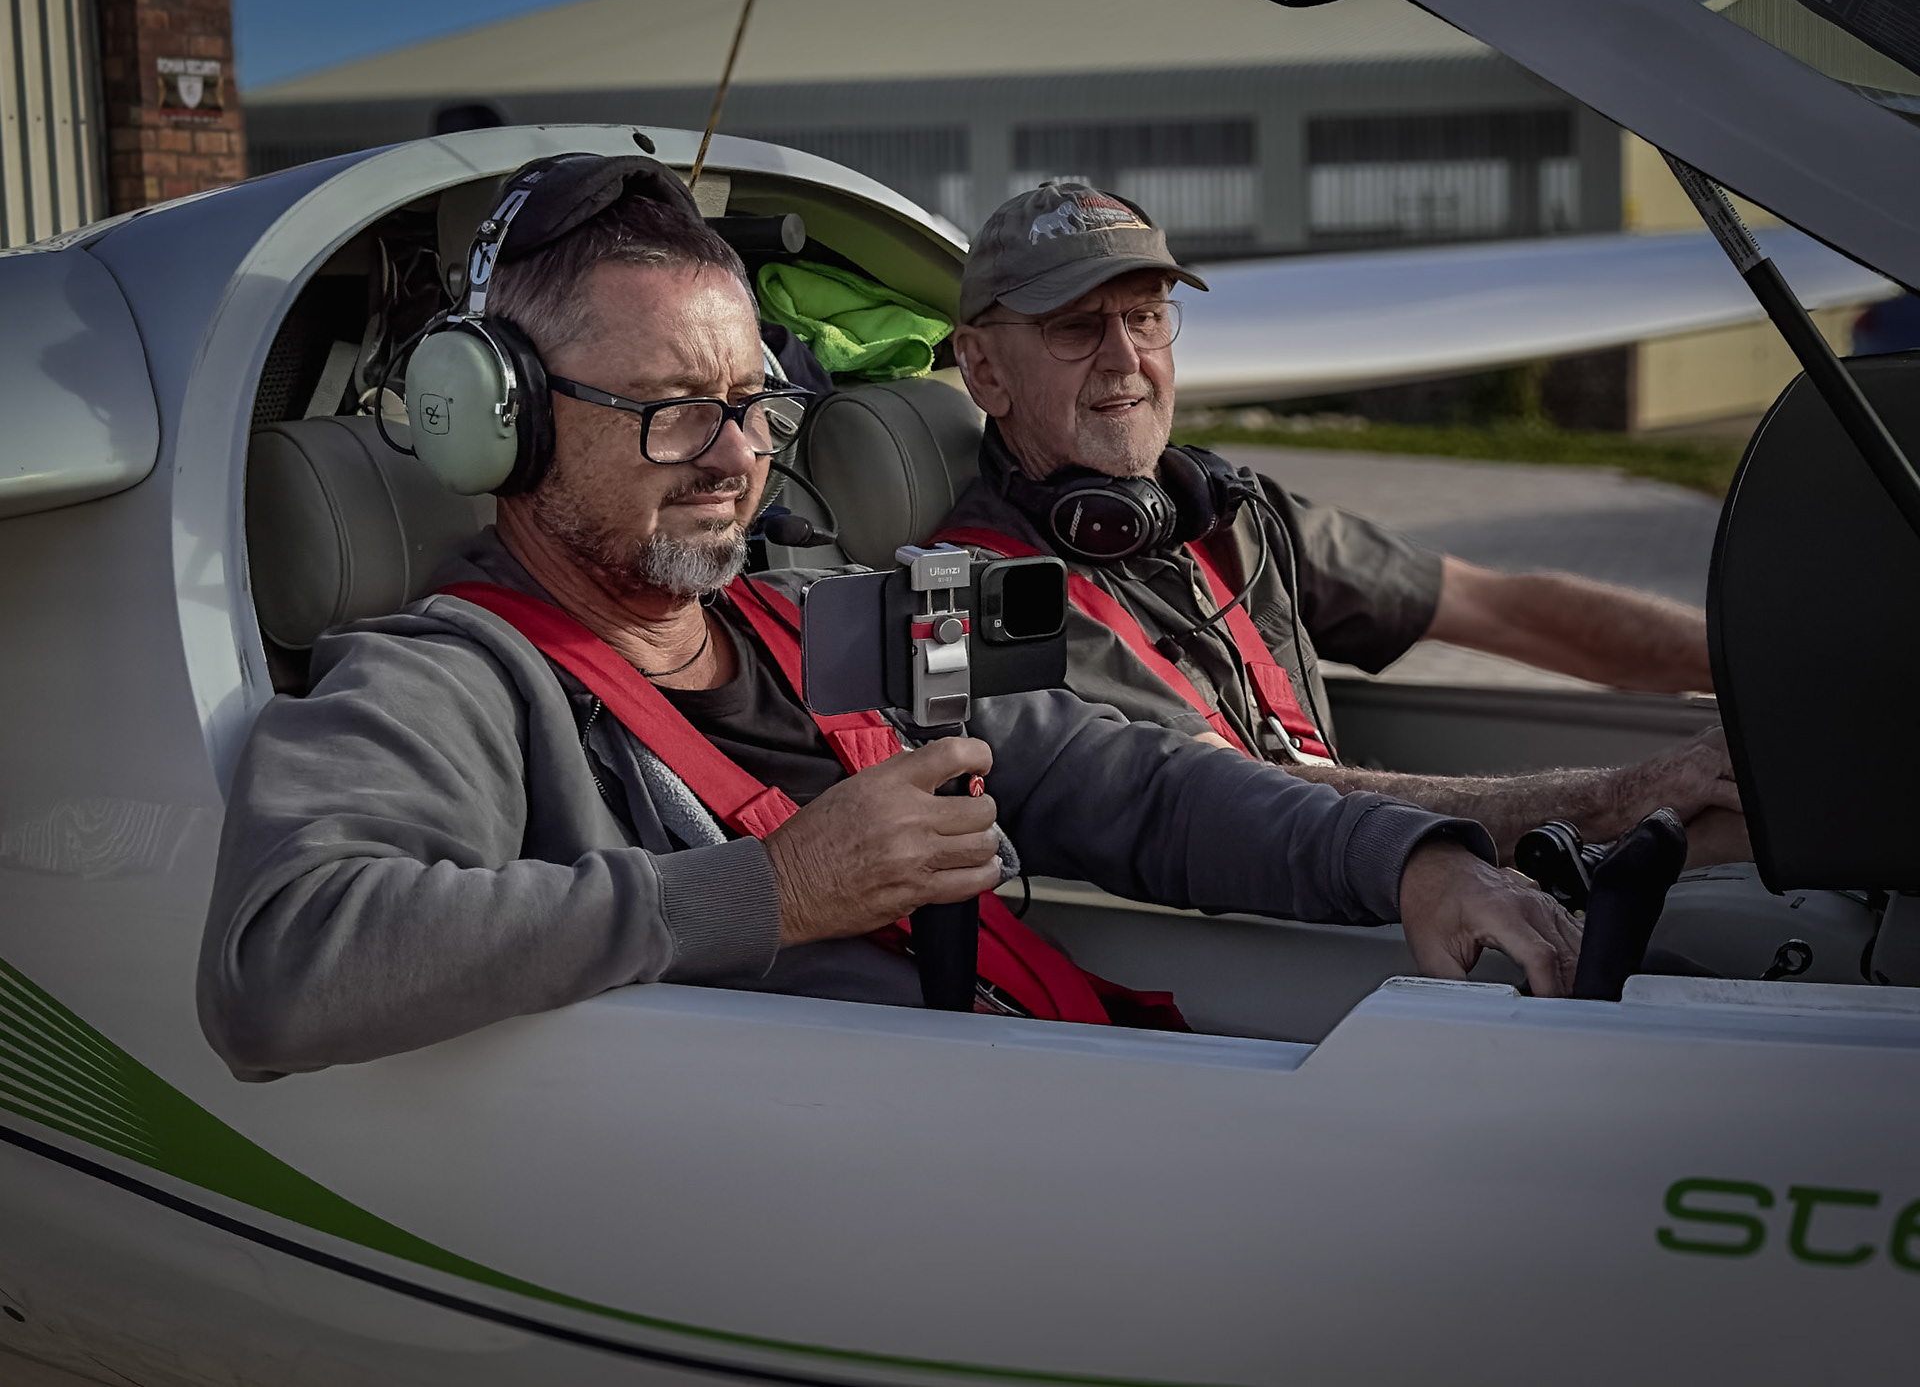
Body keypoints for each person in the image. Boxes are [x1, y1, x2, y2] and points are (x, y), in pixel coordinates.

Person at [200, 158, 1581, 1080]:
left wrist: (1414, 861)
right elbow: (281, 964)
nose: (738, 456)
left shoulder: (839, 616)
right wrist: (775, 889)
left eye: (754, 401)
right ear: (498, 426)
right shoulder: (447, 680)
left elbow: (1131, 785)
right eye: (673, 406)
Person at [935, 181, 1746, 863]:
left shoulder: (1231, 513)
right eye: (1076, 327)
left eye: (1145, 317)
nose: (1125, 358)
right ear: (982, 367)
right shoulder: (989, 604)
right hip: (1268, 944)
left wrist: (1758, 672)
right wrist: (1620, 799)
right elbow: (1251, 801)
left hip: (1385, 876)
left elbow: (1504, 607)